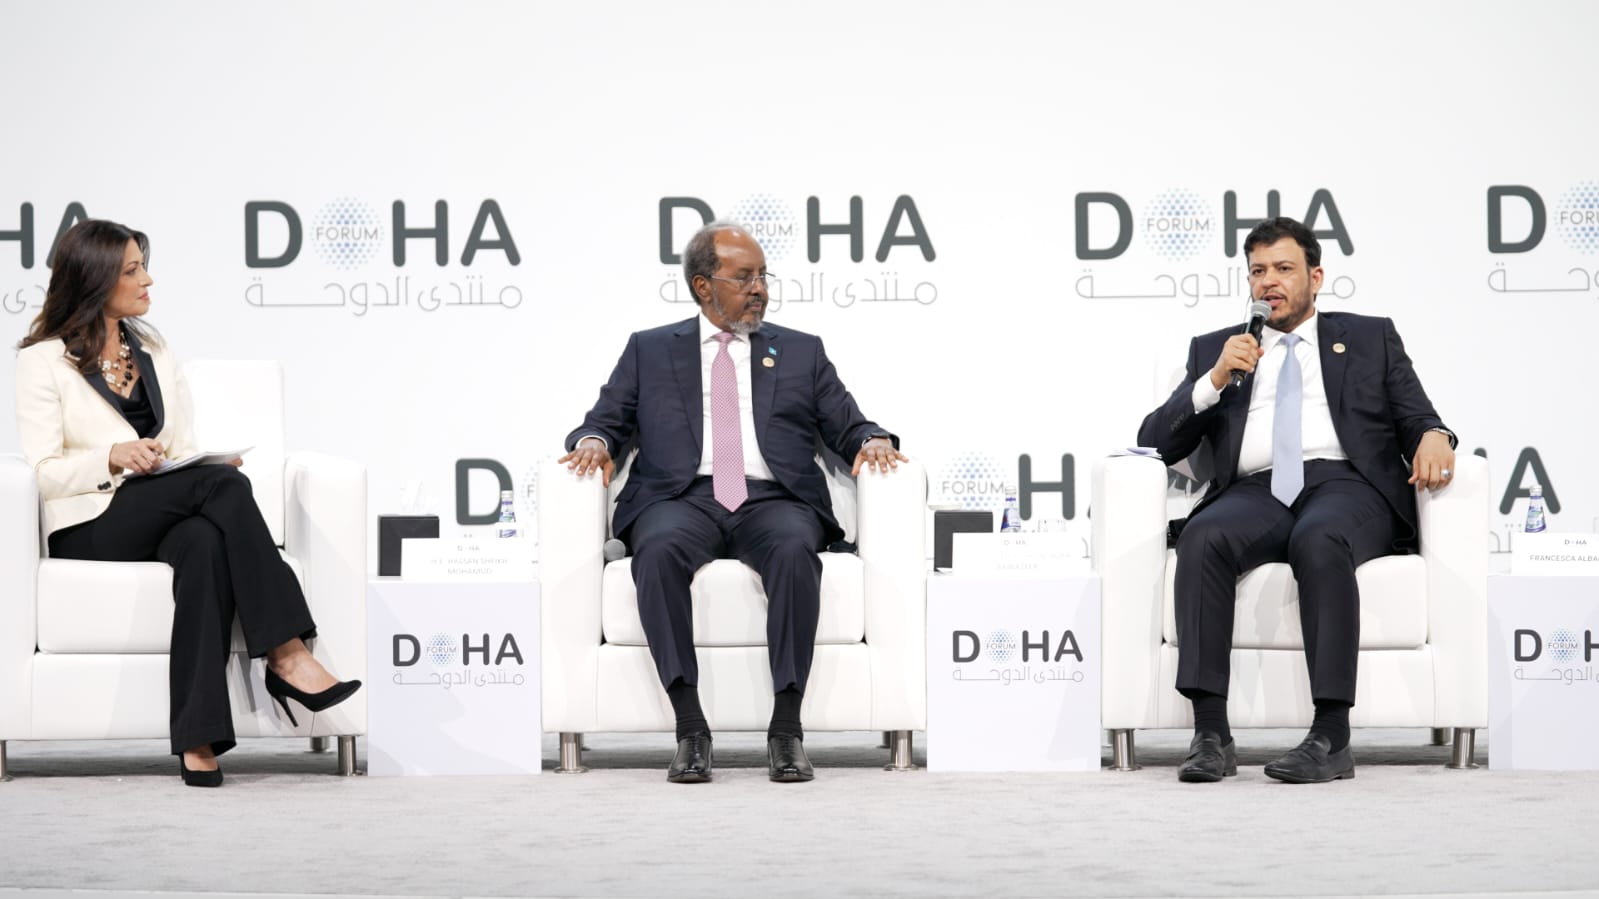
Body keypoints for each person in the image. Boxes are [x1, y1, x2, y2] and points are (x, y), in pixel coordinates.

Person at [13, 219, 361, 787]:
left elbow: (180, 445)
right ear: (95, 279)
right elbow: (46, 473)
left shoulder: (152, 348)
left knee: (204, 539)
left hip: (158, 507)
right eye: (132, 270)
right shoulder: (42, 361)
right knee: (223, 489)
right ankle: (286, 653)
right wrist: (112, 457)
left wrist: (200, 466)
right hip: (91, 522)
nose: (147, 280)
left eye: (143, 267)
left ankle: (199, 736)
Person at [560, 222, 907, 784]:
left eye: (763, 276)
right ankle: (691, 730)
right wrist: (594, 441)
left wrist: (871, 439)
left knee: (794, 550)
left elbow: (847, 422)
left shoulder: (800, 350)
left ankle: (786, 731)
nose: (759, 289)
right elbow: (607, 419)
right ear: (703, 286)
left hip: (773, 499)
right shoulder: (650, 349)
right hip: (681, 497)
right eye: (744, 278)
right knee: (657, 551)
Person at [1137, 216, 1455, 784]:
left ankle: (1331, 736)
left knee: (1320, 536)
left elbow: (1417, 416)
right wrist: (1214, 380)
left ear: (1316, 277)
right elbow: (1155, 443)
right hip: (1257, 490)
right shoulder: (1218, 349)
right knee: (1204, 537)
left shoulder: (1370, 337)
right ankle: (1211, 734)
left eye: (1284, 269)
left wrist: (1436, 435)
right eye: (1258, 271)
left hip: (1346, 486)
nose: (1269, 282)